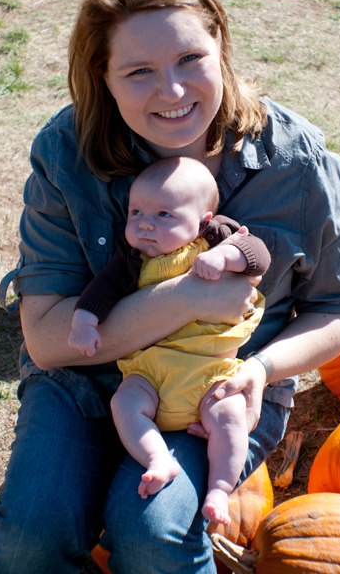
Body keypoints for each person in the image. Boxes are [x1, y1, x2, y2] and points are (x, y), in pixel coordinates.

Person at [0, 0, 340, 572]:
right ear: (102, 75)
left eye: (190, 58)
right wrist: (189, 297)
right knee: (28, 539)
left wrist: (259, 370)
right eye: (138, 71)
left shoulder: (296, 162)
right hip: (82, 381)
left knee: (154, 531)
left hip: (217, 388)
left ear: (220, 44)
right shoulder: (66, 152)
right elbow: (48, 341)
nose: (172, 90)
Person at [68, 155, 271, 525]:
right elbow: (101, 290)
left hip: (211, 373)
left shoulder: (215, 237)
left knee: (230, 417)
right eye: (136, 213)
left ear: (203, 221)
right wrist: (84, 320)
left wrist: (225, 256)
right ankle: (158, 458)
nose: (145, 224)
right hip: (151, 374)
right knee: (124, 403)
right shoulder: (131, 260)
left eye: (164, 214)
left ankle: (220, 488)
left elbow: (257, 254)